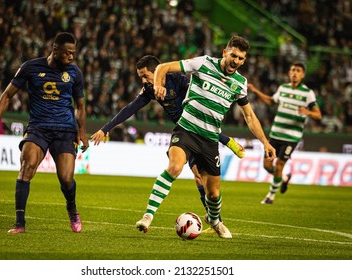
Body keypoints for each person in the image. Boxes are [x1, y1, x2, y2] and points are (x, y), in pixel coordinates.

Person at [135, 35, 276, 238]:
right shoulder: (203, 63)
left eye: (241, 59)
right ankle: (148, 216)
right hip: (186, 130)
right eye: (233, 55)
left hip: (209, 140)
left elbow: (249, 116)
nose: (236, 61)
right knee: (175, 166)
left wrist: (265, 142)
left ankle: (215, 220)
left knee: (213, 193)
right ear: (225, 53)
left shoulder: (240, 83)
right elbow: (163, 67)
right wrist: (157, 85)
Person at [90, 55, 245, 232]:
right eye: (140, 77)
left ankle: (215, 220)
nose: (143, 80)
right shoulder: (149, 90)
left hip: (202, 132)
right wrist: (105, 128)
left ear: (157, 71)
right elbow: (130, 109)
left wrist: (225, 140)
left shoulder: (179, 81)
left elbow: (201, 117)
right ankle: (149, 216)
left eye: (145, 75)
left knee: (205, 183)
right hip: (184, 134)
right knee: (181, 170)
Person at [0, 32, 89, 233]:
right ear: (55, 50)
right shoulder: (31, 67)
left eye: (74, 53)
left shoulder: (75, 73)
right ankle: (20, 223)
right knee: (27, 166)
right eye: (68, 53)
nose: (71, 57)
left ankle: (72, 209)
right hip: (38, 128)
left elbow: (80, 105)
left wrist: (82, 131)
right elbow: (6, 95)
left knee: (66, 178)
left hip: (65, 130)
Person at [247, 61, 322, 204]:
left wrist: (308, 112)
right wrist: (255, 90)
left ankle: (270, 196)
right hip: (275, 134)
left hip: (291, 137)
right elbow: (270, 101)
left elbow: (318, 114)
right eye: (293, 70)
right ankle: (284, 178)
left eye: (298, 71)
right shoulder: (283, 88)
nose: (295, 73)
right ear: (289, 72)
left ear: (303, 75)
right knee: (267, 165)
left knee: (279, 164)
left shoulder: (307, 94)